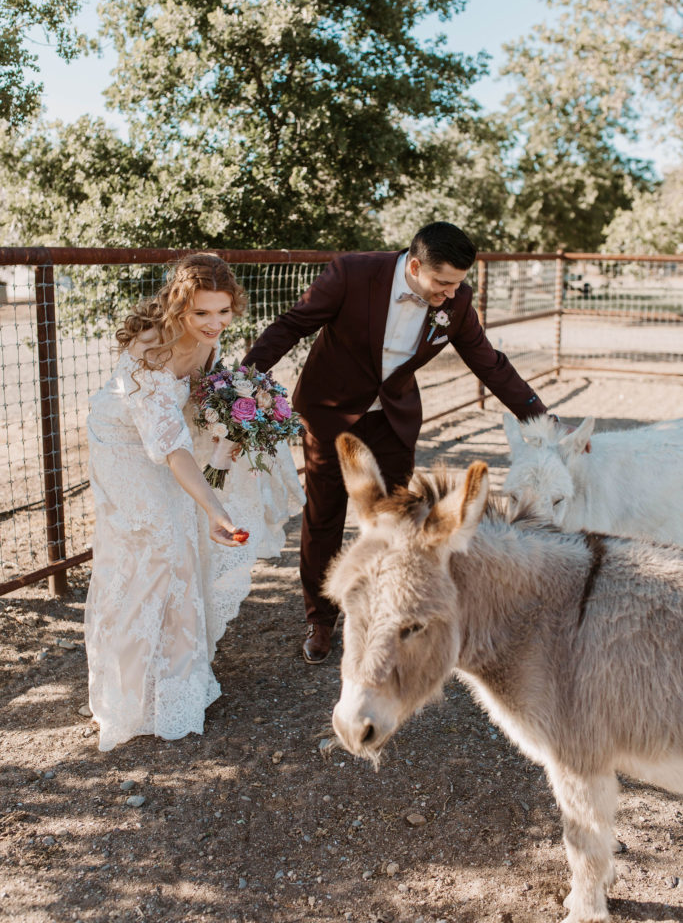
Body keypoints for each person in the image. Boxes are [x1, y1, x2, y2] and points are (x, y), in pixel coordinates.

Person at [243, 221, 557, 665]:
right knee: (324, 515)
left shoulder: (456, 301)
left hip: (392, 419)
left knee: (395, 518)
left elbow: (489, 361)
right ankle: (321, 617)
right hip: (331, 411)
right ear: (414, 265)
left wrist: (537, 414)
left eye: (458, 284)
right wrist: (241, 382)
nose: (450, 294)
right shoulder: (351, 273)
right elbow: (291, 326)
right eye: (442, 282)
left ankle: (386, 605)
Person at [85, 254, 304, 751]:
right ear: (180, 307)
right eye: (202, 313)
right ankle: (130, 694)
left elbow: (200, 400)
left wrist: (234, 429)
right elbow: (173, 449)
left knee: (180, 548)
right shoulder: (152, 352)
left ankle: (178, 684)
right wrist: (216, 508)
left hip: (170, 438)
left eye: (223, 312)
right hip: (121, 442)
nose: (214, 324)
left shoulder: (211, 339)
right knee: (157, 546)